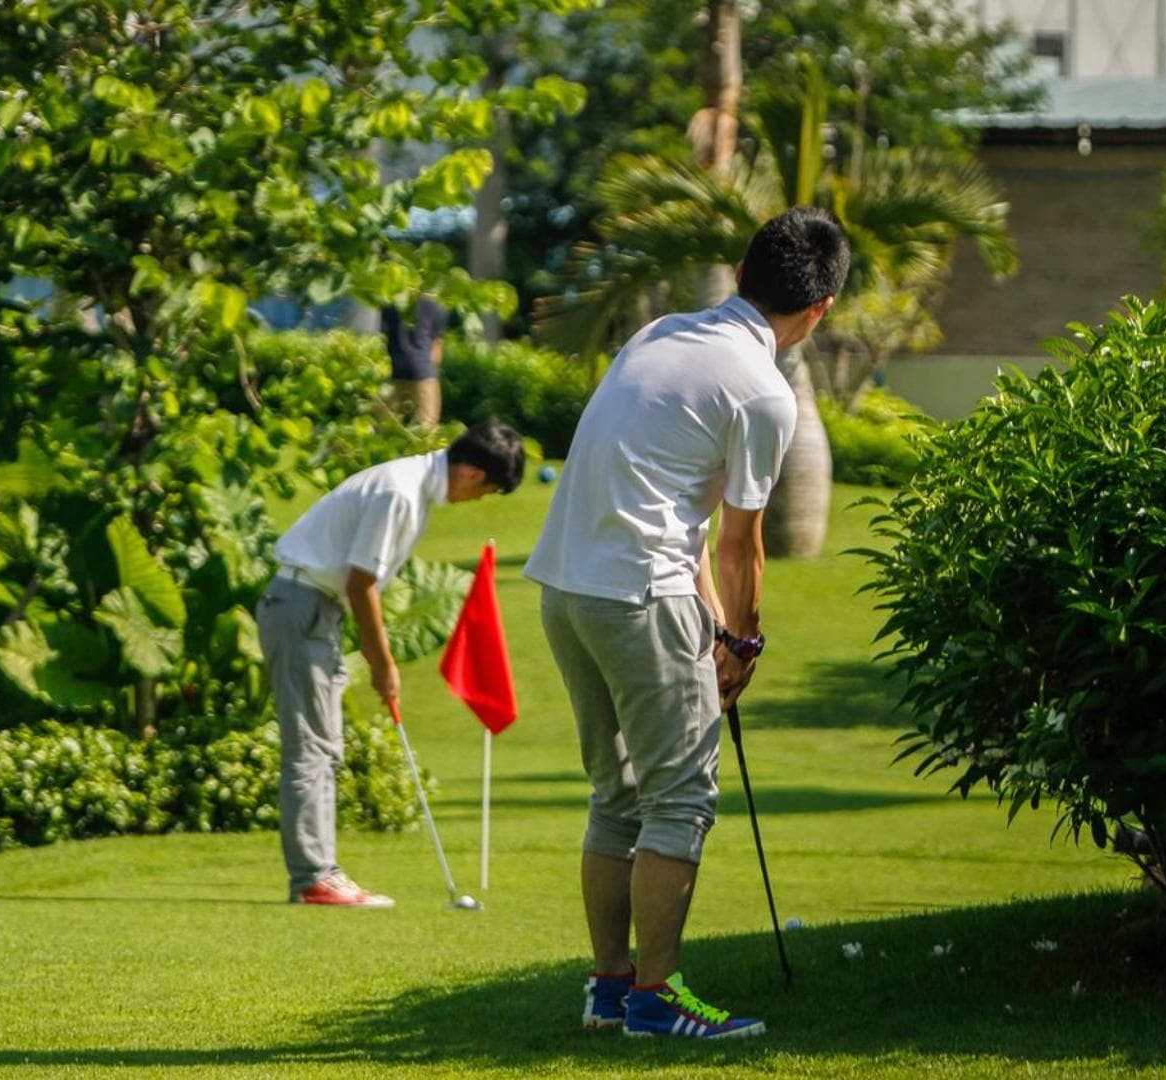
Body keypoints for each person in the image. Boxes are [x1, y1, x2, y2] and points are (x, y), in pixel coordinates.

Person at [523, 207, 849, 1037]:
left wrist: (714, 625)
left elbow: (681, 506)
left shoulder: (663, 333)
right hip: (640, 595)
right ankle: (656, 999)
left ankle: (608, 986)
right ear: (819, 311)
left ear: (741, 278)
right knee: (678, 800)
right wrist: (741, 641)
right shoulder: (763, 391)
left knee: (616, 794)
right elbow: (742, 546)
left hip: (567, 588)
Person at [260, 419, 525, 906]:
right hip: (302, 605)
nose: (478, 500)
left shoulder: (410, 486)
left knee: (323, 744)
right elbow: (362, 582)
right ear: (471, 474)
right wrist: (383, 662)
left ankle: (319, 873)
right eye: (486, 491)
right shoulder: (400, 493)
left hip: (313, 607)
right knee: (312, 747)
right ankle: (314, 878)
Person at [381, 296, 448, 426]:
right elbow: (436, 352)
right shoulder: (437, 307)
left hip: (391, 373)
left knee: (386, 431)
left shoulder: (390, 303)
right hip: (423, 374)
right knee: (426, 433)